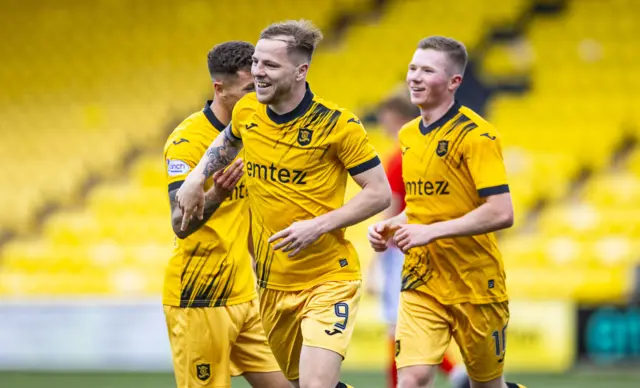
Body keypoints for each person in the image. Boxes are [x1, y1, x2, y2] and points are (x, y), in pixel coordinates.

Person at [176, 20, 391, 388]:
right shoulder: (247, 112)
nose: (258, 72)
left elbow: (379, 192)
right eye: (256, 62)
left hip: (329, 279)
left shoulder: (337, 126)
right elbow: (227, 142)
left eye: (270, 65)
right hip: (273, 284)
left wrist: (319, 225)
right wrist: (197, 178)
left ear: (300, 70)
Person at [367, 36, 527, 388]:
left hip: (475, 284)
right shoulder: (408, 136)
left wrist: (431, 231)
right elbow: (425, 208)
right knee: (412, 378)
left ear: (454, 81)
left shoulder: (478, 136)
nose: (415, 77)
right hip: (422, 279)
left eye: (427, 70)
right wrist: (391, 226)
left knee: (487, 384)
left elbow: (501, 212)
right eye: (412, 68)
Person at [163, 41, 289, 388]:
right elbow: (180, 224)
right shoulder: (187, 141)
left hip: (244, 297)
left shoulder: (253, 132)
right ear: (219, 88)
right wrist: (215, 193)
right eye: (249, 89)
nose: (258, 96)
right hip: (200, 299)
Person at [369, 95, 470, 388]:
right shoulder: (428, 154)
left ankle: (424, 378)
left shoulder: (397, 157)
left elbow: (393, 209)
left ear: (398, 119)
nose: (386, 127)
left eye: (387, 121)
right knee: (413, 327)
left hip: (399, 248)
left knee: (397, 326)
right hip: (426, 244)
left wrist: (377, 262)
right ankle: (453, 373)